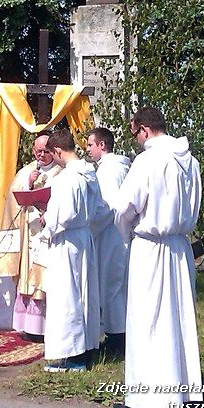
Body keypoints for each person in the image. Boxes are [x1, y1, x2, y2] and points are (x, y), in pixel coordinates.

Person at [113, 106, 202, 408]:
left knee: (149, 321)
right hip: (179, 246)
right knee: (178, 318)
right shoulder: (189, 160)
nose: (137, 140)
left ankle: (151, 399)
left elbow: (125, 207)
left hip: (150, 247)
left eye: (135, 133)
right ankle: (185, 390)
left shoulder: (148, 159)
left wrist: (126, 235)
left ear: (144, 129)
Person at [38, 129, 107, 372]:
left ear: (57, 151)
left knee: (67, 297)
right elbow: (101, 209)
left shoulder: (66, 178)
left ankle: (71, 354)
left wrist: (46, 225)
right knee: (85, 294)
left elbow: (62, 215)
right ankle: (86, 347)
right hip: (83, 238)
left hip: (66, 241)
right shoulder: (89, 173)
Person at [0, 133, 62, 340]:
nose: (41, 155)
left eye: (45, 151)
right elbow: (13, 198)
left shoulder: (60, 172)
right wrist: (29, 186)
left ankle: (43, 327)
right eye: (37, 151)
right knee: (27, 279)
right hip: (28, 234)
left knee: (43, 280)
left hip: (47, 233)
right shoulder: (27, 171)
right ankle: (28, 326)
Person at [85, 127, 130, 355]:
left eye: (90, 145)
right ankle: (117, 333)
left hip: (111, 234)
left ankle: (116, 338)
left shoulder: (109, 170)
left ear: (102, 145)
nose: (88, 150)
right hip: (115, 233)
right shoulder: (116, 167)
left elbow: (109, 206)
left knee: (111, 285)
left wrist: (86, 227)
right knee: (116, 285)